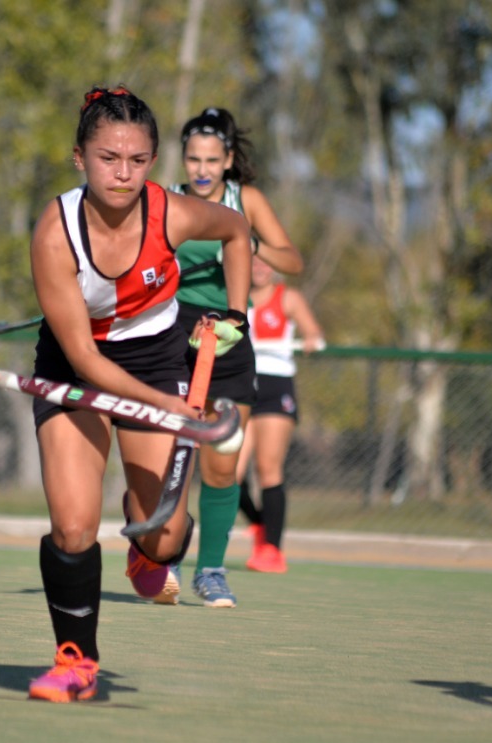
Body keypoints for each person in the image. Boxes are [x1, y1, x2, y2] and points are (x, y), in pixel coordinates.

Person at [25, 87, 251, 702]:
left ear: (153, 161)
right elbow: (84, 359)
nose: (122, 174)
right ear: (79, 158)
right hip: (76, 367)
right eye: (107, 158)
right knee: (72, 526)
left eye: (138, 160)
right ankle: (76, 664)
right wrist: (165, 408)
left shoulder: (172, 213)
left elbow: (236, 231)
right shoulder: (55, 233)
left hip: (155, 360)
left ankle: (141, 522)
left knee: (164, 541)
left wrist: (235, 312)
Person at [168, 107, 305, 606]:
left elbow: (292, 259)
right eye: (192, 159)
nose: (201, 169)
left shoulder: (244, 199)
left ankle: (211, 571)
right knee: (171, 458)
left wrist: (247, 244)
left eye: (211, 159)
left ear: (228, 160)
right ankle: (163, 562)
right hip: (171, 337)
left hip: (229, 338)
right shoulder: (166, 203)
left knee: (222, 466)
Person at [235, 255, 324, 573]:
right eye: (253, 261)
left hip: (275, 387)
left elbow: (313, 331)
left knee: (268, 468)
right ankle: (261, 524)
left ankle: (272, 549)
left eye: (264, 263)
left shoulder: (288, 297)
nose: (258, 267)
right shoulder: (232, 292)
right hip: (240, 384)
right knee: (230, 472)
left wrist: (312, 338)